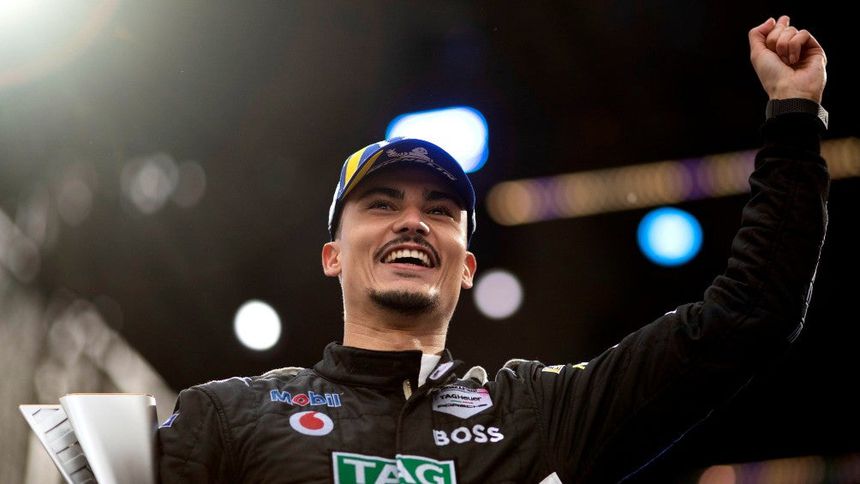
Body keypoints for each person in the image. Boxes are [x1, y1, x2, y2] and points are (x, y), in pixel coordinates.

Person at [157, 15, 829, 483]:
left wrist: (794, 116)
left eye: (439, 211)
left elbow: (751, 315)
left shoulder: (539, 413)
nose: (413, 223)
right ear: (332, 255)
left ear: (467, 267)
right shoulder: (230, 417)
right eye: (382, 204)